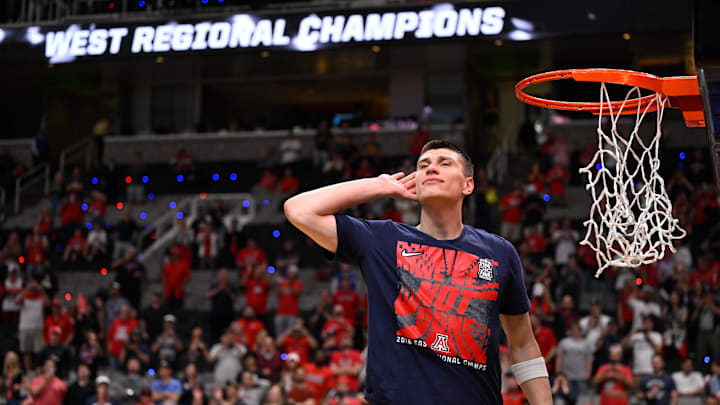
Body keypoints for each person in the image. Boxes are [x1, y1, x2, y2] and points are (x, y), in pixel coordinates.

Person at [284, 140, 552, 404]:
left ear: (467, 185)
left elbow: (522, 344)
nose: (431, 169)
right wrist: (379, 186)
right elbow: (299, 210)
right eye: (423, 166)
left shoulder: (499, 252)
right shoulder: (382, 240)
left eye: (444, 163)